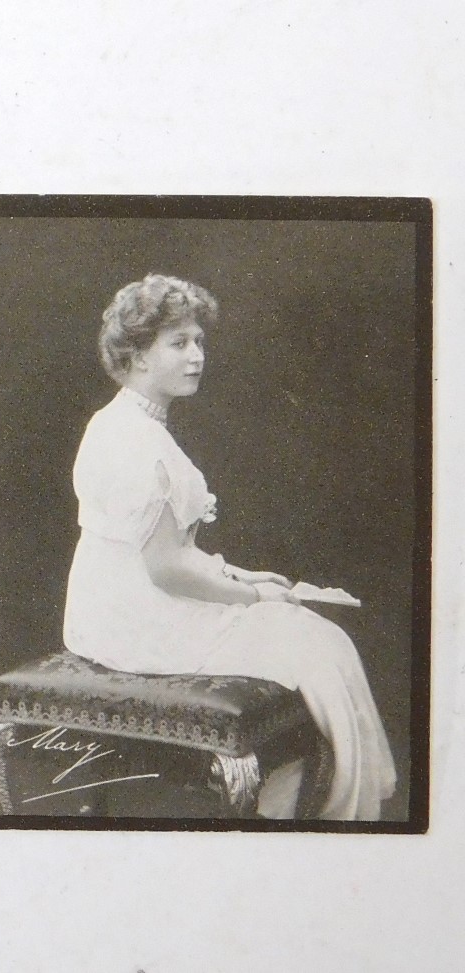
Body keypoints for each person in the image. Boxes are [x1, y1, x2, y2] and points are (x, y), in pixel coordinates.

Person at [62, 273, 396, 821]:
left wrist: (248, 578)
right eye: (179, 343)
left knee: (316, 639)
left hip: (121, 601)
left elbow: (172, 552)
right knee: (317, 644)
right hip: (132, 618)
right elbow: (167, 571)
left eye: (199, 342)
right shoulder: (134, 442)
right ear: (138, 356)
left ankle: (296, 800)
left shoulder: (123, 424)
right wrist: (257, 601)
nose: (197, 356)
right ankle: (324, 812)